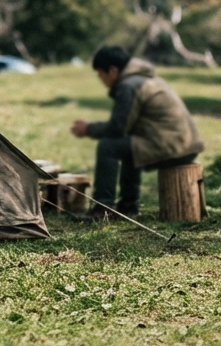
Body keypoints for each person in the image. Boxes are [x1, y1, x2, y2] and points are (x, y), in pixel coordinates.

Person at [70, 45, 204, 219]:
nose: (100, 79)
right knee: (129, 145)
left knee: (108, 146)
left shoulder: (129, 85)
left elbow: (118, 128)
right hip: (186, 145)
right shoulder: (144, 79)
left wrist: (88, 128)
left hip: (173, 147)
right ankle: (128, 204)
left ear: (112, 70)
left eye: (101, 74)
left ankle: (103, 208)